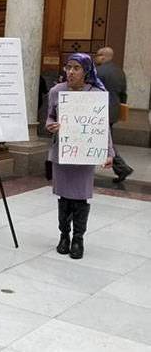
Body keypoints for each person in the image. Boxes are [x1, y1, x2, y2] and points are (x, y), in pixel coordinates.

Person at [46, 53, 114, 260]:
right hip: (63, 153)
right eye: (68, 67)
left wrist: (109, 152)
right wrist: (51, 126)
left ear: (86, 71)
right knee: (64, 196)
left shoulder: (96, 93)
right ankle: (64, 236)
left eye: (76, 68)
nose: (71, 72)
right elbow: (50, 116)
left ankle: (78, 239)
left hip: (85, 153)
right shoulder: (57, 91)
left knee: (80, 197)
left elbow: (103, 127)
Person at [95, 46, 133, 182]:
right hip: (114, 111)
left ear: (104, 56)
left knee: (105, 141)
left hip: (99, 111)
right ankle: (121, 169)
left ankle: (123, 168)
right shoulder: (120, 72)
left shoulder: (97, 71)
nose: (96, 58)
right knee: (106, 139)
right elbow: (123, 93)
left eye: (98, 55)